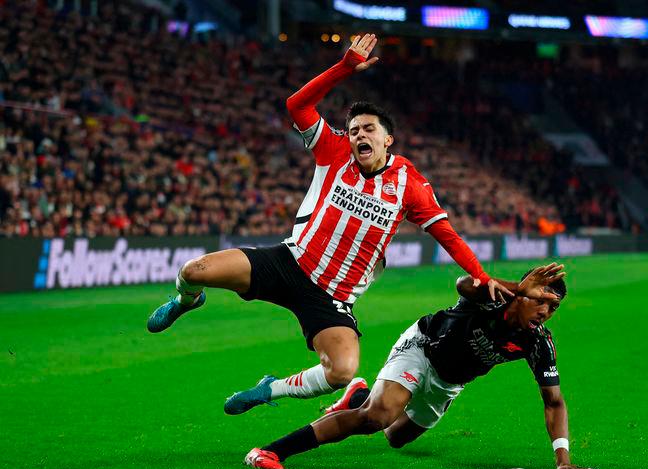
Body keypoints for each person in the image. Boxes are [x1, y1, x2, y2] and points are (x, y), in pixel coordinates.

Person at [146, 34, 512, 410]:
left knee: (341, 370)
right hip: (290, 262)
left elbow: (447, 236)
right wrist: (345, 67)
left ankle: (270, 389)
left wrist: (481, 276)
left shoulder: (411, 185)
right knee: (194, 269)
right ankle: (186, 301)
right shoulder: (334, 149)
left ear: (389, 140)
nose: (359, 135)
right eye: (354, 130)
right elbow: (296, 104)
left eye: (369, 129)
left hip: (333, 295)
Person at [237, 263, 595, 469]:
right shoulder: (494, 297)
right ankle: (271, 451)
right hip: (422, 347)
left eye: (553, 308)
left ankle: (359, 393)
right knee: (376, 417)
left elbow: (554, 402)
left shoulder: (537, 342)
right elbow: (463, 284)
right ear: (523, 294)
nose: (546, 312)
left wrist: (562, 459)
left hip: (449, 383)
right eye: (541, 301)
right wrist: (518, 287)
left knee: (396, 437)